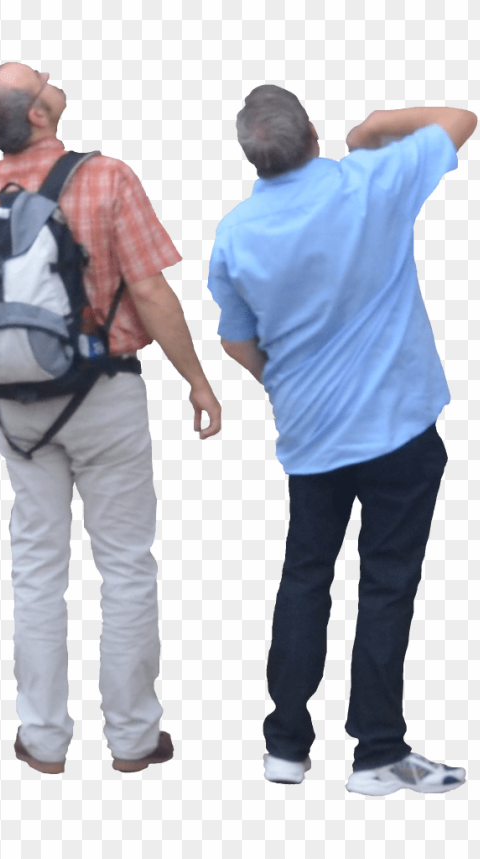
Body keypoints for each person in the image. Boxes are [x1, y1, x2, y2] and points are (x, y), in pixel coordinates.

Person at [0, 63, 222, 773]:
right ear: (36, 114)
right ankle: (132, 737)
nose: (55, 81)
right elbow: (148, 291)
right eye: (43, 81)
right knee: (124, 563)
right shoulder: (107, 177)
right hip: (107, 394)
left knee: (36, 568)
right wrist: (197, 379)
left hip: (18, 411)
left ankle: (43, 737)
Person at [207, 85, 476, 795]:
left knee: (305, 578)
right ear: (313, 134)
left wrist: (285, 384)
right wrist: (379, 124)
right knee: (386, 584)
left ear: (252, 157)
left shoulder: (235, 233)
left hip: (311, 435)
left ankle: (286, 747)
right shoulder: (371, 178)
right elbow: (462, 119)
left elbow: (237, 341)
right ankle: (378, 752)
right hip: (398, 430)